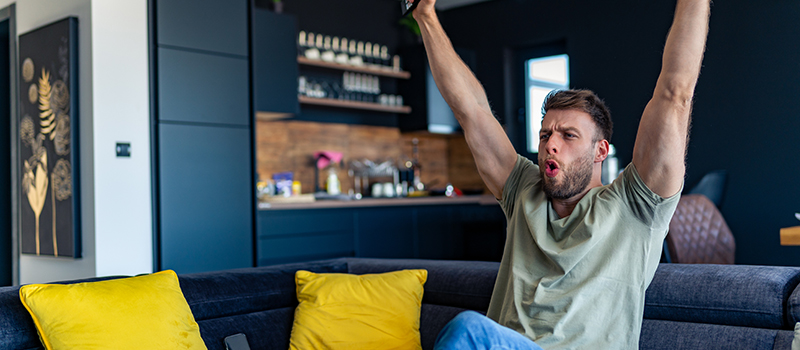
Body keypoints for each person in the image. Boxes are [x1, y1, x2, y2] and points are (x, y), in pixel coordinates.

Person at [410, 0, 711, 348]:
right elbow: (471, 111)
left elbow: (675, 93)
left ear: (601, 150)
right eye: (544, 134)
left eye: (568, 136)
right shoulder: (524, 190)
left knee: (468, 331)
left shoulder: (634, 206)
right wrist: (425, 15)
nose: (551, 144)